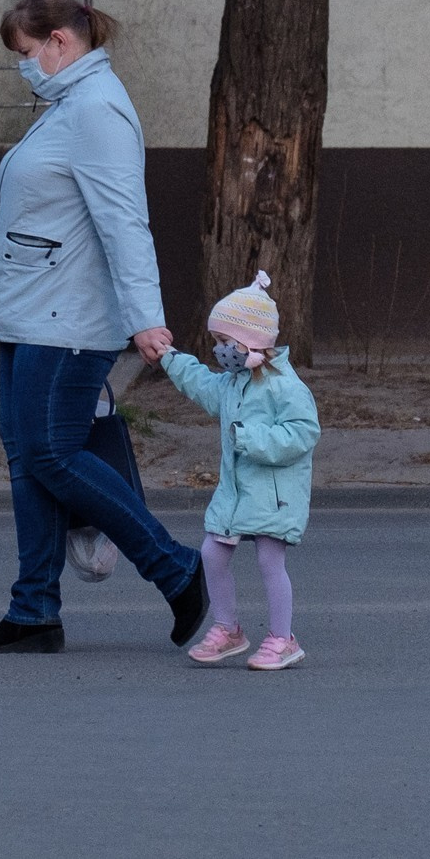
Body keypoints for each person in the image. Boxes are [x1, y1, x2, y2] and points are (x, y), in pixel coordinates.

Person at [0, 0, 207, 654]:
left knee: (51, 453)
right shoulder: (70, 106)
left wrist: (146, 318)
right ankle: (34, 611)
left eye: (25, 52)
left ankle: (176, 569)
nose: (23, 66)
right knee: (29, 457)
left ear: (59, 42)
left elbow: (124, 222)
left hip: (68, 319)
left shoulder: (98, 110)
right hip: (34, 313)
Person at [150, 271, 320, 671]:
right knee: (213, 553)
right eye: (217, 341)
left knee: (269, 562)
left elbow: (303, 432)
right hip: (236, 492)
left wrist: (249, 438)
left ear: (252, 340)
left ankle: (283, 639)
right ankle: (228, 629)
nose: (219, 350)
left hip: (274, 495)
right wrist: (170, 358)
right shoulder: (233, 382)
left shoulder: (284, 386)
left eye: (225, 341)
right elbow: (201, 384)